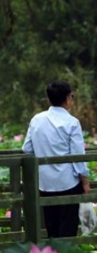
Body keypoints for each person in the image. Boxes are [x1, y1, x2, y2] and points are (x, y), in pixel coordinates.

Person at [22, 81, 90, 238]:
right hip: (68, 183)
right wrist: (85, 182)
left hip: (45, 184)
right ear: (67, 98)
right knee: (67, 230)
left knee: (52, 229)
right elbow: (78, 156)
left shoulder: (36, 120)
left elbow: (27, 148)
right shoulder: (72, 123)